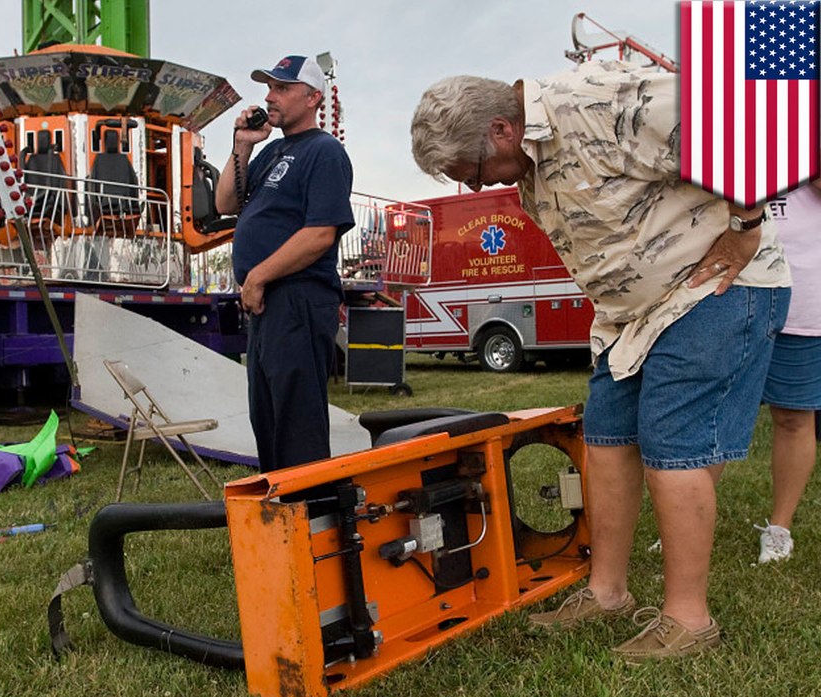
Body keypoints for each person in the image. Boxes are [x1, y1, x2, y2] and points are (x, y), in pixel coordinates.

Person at [410, 60, 791, 661]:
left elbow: (739, 128)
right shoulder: (527, 157)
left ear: (504, 131)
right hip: (626, 318)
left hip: (711, 289)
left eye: (474, 173)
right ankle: (606, 591)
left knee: (674, 444)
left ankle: (688, 619)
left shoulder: (601, 100)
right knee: (607, 440)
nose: (477, 190)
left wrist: (746, 226)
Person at [213, 55, 354, 472]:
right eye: (269, 88)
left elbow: (320, 234)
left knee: (297, 419)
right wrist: (241, 144)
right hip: (268, 304)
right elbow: (225, 202)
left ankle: (312, 513)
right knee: (269, 415)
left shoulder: (324, 151)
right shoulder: (272, 151)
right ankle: (282, 507)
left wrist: (257, 277)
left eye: (282, 88)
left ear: (312, 98)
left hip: (298, 298)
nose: (270, 97)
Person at [756, 179, 821, 564]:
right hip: (730, 293)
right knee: (710, 412)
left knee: (794, 417)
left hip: (803, 300)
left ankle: (779, 529)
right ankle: (688, 518)